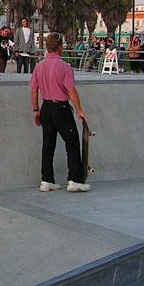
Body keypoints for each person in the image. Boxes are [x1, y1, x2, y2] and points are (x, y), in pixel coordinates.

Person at [30, 33, 90, 193]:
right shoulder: (65, 67)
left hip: (46, 107)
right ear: (60, 47)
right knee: (72, 142)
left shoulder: (39, 66)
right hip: (60, 108)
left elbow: (34, 90)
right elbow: (71, 91)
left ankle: (46, 180)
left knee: (48, 145)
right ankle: (75, 180)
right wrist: (79, 111)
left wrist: (36, 109)